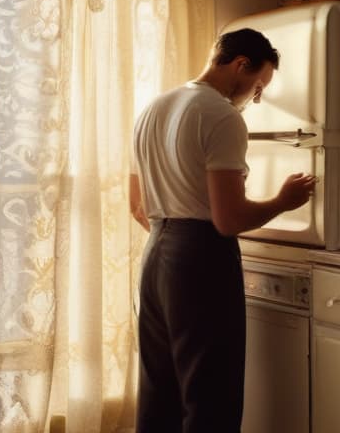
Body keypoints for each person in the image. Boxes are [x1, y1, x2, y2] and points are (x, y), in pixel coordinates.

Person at [130, 28, 316, 433]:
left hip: (156, 255)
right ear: (240, 65)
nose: (257, 95)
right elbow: (228, 219)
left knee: (159, 390)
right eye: (259, 84)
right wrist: (283, 201)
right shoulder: (221, 115)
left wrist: (172, 232)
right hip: (199, 259)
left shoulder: (153, 108)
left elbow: (137, 207)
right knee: (210, 393)